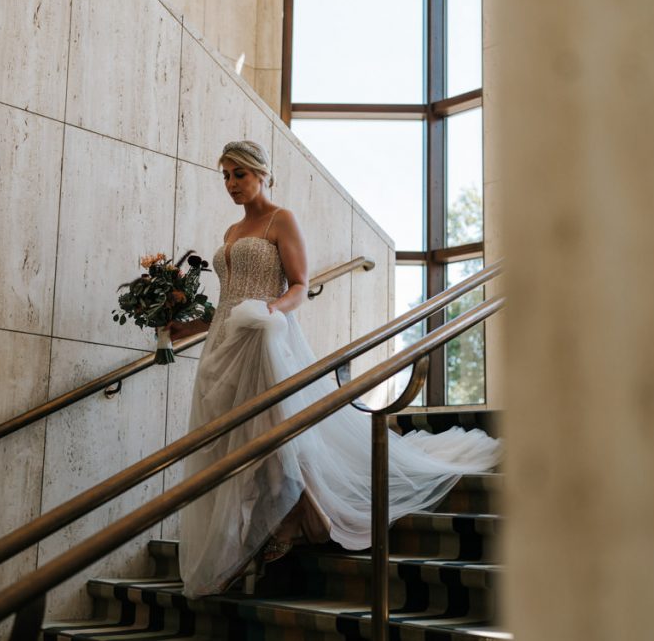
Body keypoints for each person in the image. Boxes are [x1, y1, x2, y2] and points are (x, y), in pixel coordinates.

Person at [170, 140, 500, 598]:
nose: (230, 184)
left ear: (261, 173)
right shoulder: (229, 232)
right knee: (234, 444)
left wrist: (272, 310)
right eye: (224, 176)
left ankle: (288, 529)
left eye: (238, 175)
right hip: (224, 349)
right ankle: (247, 541)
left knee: (275, 435)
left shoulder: (280, 219)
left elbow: (300, 285)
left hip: (265, 340)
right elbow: (227, 301)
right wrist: (183, 324)